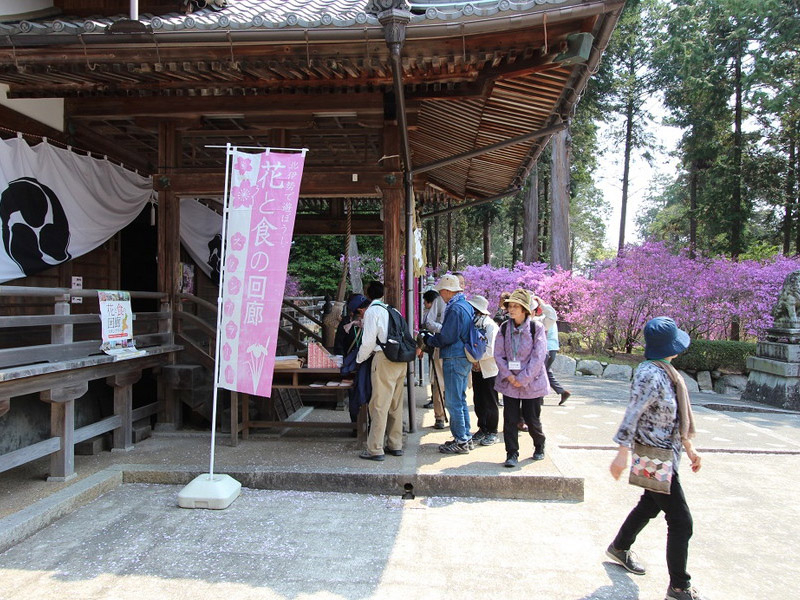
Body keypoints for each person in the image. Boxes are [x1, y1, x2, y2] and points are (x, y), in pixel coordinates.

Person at [606, 316, 705, 600]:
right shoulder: (650, 374)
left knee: (650, 503)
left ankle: (620, 546)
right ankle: (679, 587)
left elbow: (674, 416)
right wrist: (621, 453)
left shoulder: (667, 371)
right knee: (681, 521)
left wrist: (689, 447)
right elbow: (633, 412)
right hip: (654, 456)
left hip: (667, 454)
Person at [493, 288, 549, 468]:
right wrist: (509, 376)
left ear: (525, 309)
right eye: (511, 306)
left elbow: (539, 356)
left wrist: (523, 378)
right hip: (510, 383)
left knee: (532, 420)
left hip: (531, 383)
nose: (512, 309)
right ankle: (511, 453)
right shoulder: (504, 327)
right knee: (510, 420)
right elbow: (498, 353)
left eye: (517, 306)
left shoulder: (536, 327)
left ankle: (539, 445)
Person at [422, 273, 474, 454]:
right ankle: (466, 437)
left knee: (452, 402)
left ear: (446, 291)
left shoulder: (454, 308)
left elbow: (447, 336)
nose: (440, 296)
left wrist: (429, 340)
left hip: (454, 356)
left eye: (441, 292)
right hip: (463, 356)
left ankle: (461, 441)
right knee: (460, 399)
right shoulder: (466, 305)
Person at [356, 281, 406, 461]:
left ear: (368, 294)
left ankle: (375, 448)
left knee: (379, 404)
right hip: (400, 360)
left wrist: (359, 359)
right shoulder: (394, 310)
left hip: (383, 358)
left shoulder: (372, 311)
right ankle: (395, 444)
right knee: (395, 404)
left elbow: (368, 341)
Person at [467, 294, 500, 446]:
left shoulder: (490, 325)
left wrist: (476, 360)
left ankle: (492, 431)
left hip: (489, 368)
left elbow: (491, 349)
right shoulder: (474, 324)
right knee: (478, 399)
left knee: (490, 401)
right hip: (476, 368)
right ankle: (482, 428)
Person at [337, 293, 371, 425]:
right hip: (353, 364)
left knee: (364, 393)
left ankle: (364, 424)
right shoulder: (346, 323)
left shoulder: (368, 321)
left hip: (363, 363)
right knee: (357, 394)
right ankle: (356, 425)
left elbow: (338, 345)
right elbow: (339, 345)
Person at [532, 295, 571, 406]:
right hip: (551, 349)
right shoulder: (542, 319)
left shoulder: (544, 320)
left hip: (547, 349)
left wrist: (542, 304)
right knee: (546, 372)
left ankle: (540, 398)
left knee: (541, 373)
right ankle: (562, 392)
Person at [421, 289, 446, 428]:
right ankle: (441, 417)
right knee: (440, 383)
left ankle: (444, 417)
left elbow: (428, 324)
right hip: (443, 347)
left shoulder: (459, 303)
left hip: (447, 348)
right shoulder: (442, 301)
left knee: (441, 383)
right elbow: (428, 324)